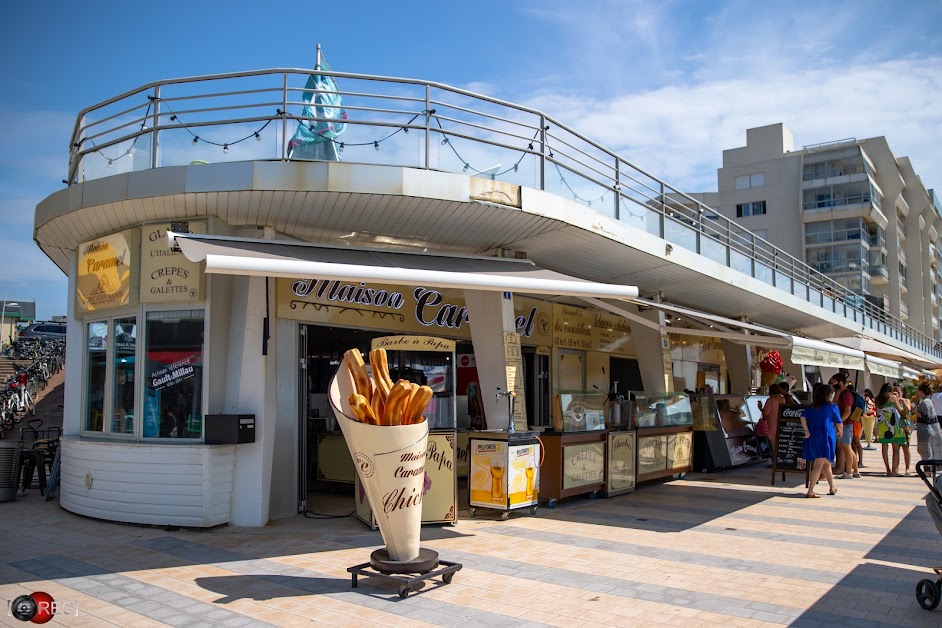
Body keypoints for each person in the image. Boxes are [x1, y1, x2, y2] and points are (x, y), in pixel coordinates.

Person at [799, 383, 841, 498]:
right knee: (819, 463)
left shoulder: (813, 406)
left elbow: (802, 417)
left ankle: (832, 487)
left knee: (826, 463)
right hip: (826, 437)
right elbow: (838, 422)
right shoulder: (833, 407)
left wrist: (806, 430)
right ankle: (810, 490)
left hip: (813, 436)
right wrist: (840, 431)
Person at [829, 372, 858, 479]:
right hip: (844, 424)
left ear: (840, 382)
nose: (832, 384)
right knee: (847, 447)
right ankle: (855, 470)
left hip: (845, 425)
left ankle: (848, 472)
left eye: (834, 382)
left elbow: (847, 411)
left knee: (846, 447)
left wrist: (839, 421)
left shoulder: (846, 395)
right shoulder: (840, 393)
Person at [876, 383, 906, 476]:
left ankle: (888, 469)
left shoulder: (877, 399)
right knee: (896, 448)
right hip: (892, 425)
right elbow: (900, 410)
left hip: (882, 425)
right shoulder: (893, 398)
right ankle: (894, 471)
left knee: (884, 447)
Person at [915, 382, 942, 464]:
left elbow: (926, 417)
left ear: (921, 392)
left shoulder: (925, 402)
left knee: (925, 453)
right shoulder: (929, 401)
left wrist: (916, 412)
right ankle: (928, 471)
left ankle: (927, 472)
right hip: (931, 431)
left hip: (926, 431)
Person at [757, 384, 785, 456]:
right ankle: (779, 460)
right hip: (781, 424)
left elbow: (765, 413)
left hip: (772, 424)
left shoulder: (770, 400)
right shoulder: (782, 399)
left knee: (773, 444)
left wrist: (760, 407)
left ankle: (775, 461)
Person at [893, 385, 913, 475]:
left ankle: (907, 468)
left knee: (906, 447)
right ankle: (896, 468)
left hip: (905, 426)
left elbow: (908, 410)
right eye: (895, 391)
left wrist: (902, 401)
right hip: (896, 427)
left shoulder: (906, 400)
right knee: (896, 448)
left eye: (899, 391)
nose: (898, 393)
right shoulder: (893, 401)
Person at [847, 384, 865, 469]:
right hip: (857, 421)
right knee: (854, 442)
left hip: (854, 422)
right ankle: (857, 461)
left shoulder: (851, 398)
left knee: (856, 442)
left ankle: (860, 461)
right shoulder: (857, 397)